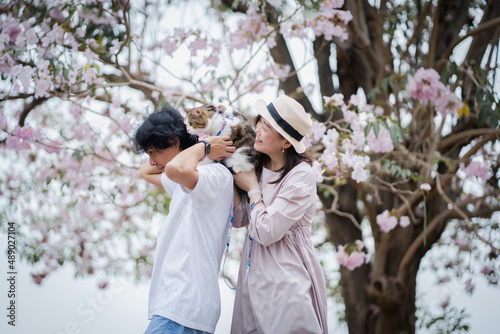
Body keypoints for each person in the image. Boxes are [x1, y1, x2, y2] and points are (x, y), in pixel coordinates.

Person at [132, 107, 236, 334]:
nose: (151, 162)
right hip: (178, 310)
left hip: (183, 307)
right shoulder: (187, 178)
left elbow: (175, 168)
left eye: (153, 152)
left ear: (174, 141)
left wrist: (204, 146)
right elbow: (146, 172)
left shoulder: (213, 176)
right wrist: (199, 148)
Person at [230, 95, 328, 334]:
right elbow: (241, 219)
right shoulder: (259, 166)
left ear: (285, 142)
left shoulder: (301, 176)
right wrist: (232, 174)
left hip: (286, 276)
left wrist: (253, 189)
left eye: (267, 128)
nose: (258, 131)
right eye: (259, 124)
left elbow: (266, 230)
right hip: (254, 277)